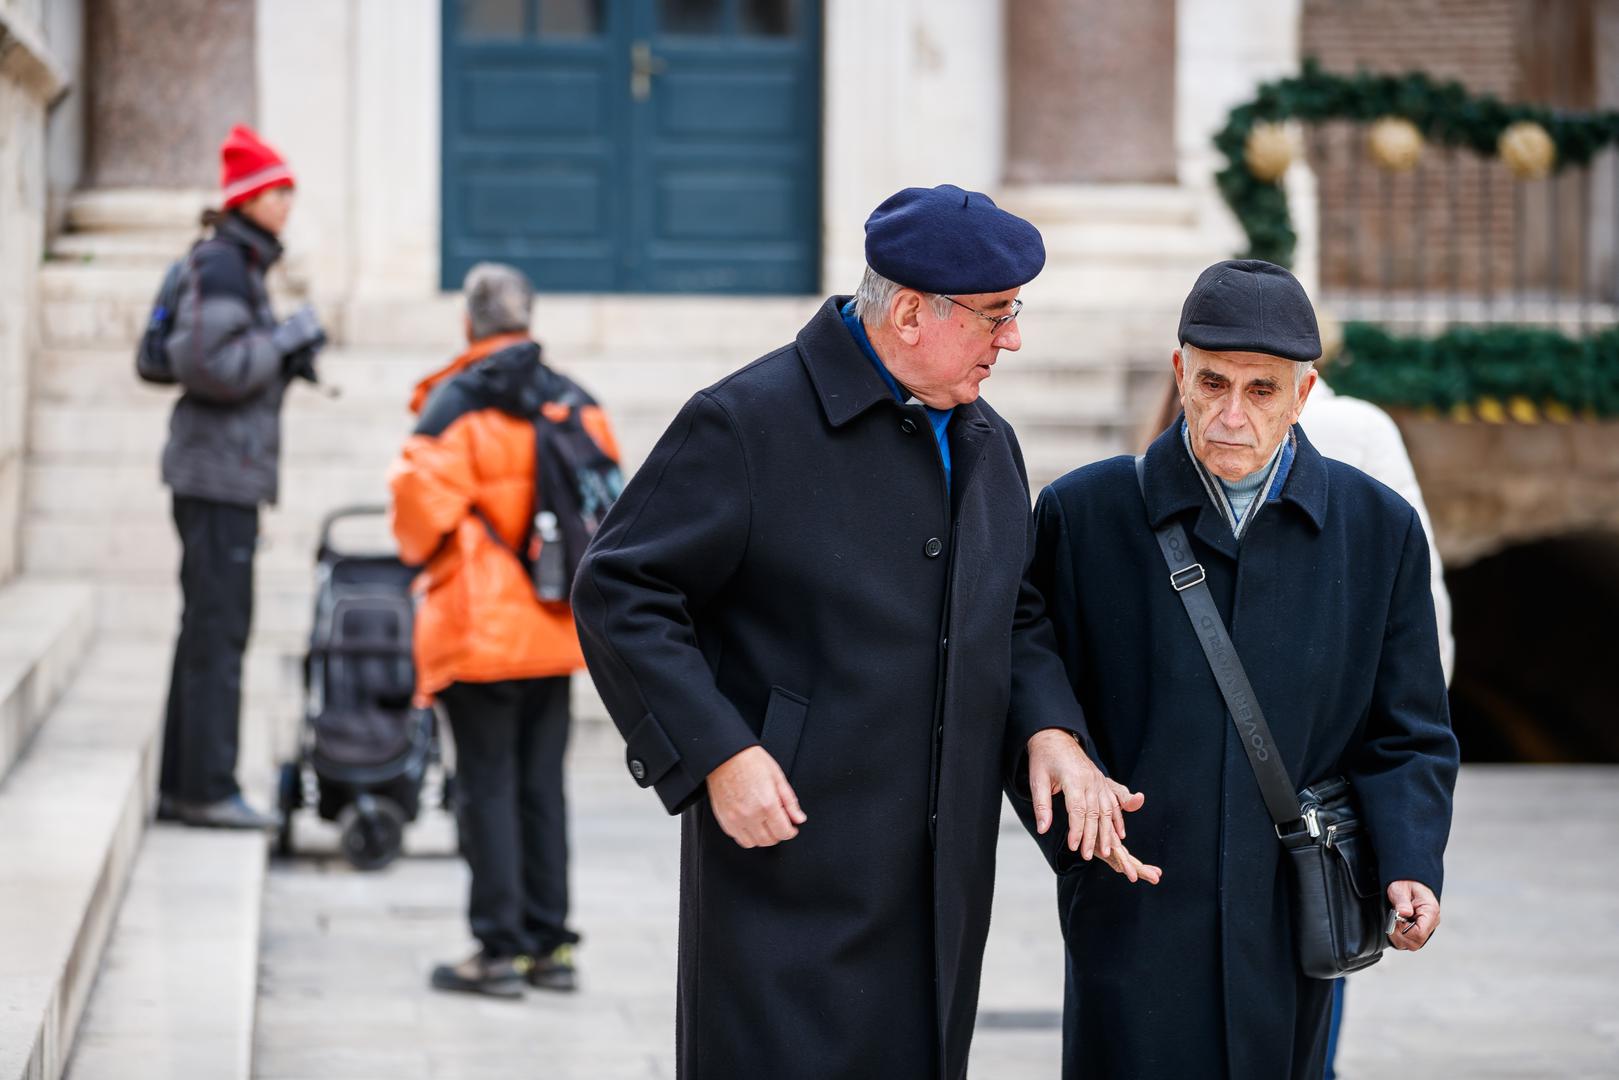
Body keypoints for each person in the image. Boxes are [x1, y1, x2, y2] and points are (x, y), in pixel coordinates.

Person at [571, 184, 1157, 1079]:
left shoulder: (986, 439)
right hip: (790, 874)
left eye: (1014, 313)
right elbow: (620, 588)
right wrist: (719, 754)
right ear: (913, 313)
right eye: (995, 316)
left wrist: (1050, 729)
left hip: (938, 887)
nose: (1013, 339)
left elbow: (1012, 610)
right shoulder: (742, 422)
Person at [1022, 259, 1459, 1079]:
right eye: (1212, 382)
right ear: (1179, 373)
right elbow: (1025, 669)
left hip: (1290, 907)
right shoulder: (1084, 514)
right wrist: (1077, 827)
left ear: (1302, 396)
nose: (1230, 415)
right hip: (1133, 898)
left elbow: (1409, 733)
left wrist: (1408, 861)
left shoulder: (1378, 531)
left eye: (1261, 391)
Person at [389, 263, 619, 999]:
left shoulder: (455, 401)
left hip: (479, 622)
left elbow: (417, 513)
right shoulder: (573, 399)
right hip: (554, 621)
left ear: (470, 323)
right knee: (540, 784)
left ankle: (499, 949)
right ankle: (551, 945)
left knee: (485, 785)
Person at [158, 124, 326, 829]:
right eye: (280, 192)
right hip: (217, 476)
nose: (289, 204)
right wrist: (286, 339)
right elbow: (207, 366)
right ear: (251, 197)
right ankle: (206, 789)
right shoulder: (227, 265)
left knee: (208, 629)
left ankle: (185, 781)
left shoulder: (227, 262)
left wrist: (277, 353)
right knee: (219, 633)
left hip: (217, 474)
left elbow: (185, 354)